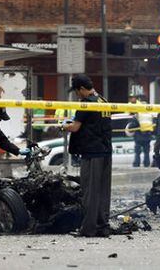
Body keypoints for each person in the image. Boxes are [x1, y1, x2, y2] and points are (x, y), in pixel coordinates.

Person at [62, 74, 112, 237]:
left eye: (77, 91)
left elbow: (75, 127)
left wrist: (64, 126)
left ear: (82, 89)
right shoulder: (103, 100)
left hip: (91, 153)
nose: (77, 95)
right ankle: (102, 227)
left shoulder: (86, 104)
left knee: (90, 192)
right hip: (105, 151)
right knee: (103, 192)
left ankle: (88, 229)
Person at [126, 101, 154, 167]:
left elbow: (131, 127)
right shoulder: (150, 115)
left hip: (139, 137)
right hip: (147, 136)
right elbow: (153, 125)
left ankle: (136, 164)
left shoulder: (138, 115)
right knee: (146, 153)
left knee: (137, 152)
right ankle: (146, 164)